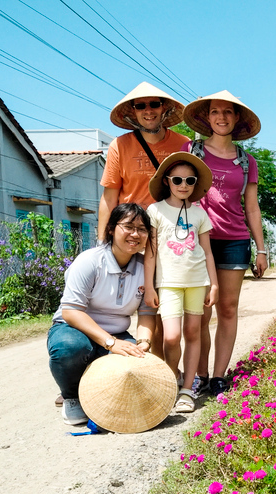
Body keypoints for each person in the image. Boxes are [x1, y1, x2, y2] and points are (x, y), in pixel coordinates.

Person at [182, 90, 268, 396]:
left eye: (228, 112)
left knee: (228, 309)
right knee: (200, 311)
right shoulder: (191, 150)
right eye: (215, 112)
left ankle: (219, 375)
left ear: (237, 119)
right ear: (207, 118)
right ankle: (199, 373)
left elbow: (252, 207)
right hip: (196, 242)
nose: (221, 117)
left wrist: (261, 248)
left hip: (234, 240)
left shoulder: (248, 162)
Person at [98, 82, 189, 362]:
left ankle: (163, 371)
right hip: (132, 235)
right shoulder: (120, 145)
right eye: (141, 106)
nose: (148, 110)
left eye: (154, 104)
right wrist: (103, 242)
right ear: (133, 113)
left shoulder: (182, 144)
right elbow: (109, 197)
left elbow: (192, 191)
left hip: (170, 238)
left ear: (165, 109)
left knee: (163, 309)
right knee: (117, 306)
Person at [47, 203, 157, 425]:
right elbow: (70, 311)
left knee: (133, 367)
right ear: (111, 229)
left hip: (115, 333)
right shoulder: (90, 261)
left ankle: (100, 397)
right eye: (128, 226)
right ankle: (72, 396)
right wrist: (110, 343)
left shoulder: (145, 268)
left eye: (142, 229)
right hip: (72, 328)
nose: (135, 234)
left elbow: (146, 314)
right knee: (71, 349)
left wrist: (144, 342)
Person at [144, 152, 218, 413]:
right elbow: (150, 252)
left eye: (189, 180)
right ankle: (172, 378)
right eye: (177, 179)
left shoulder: (200, 214)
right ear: (167, 181)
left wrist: (215, 284)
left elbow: (208, 252)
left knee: (193, 333)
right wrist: (150, 286)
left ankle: (187, 389)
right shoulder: (154, 210)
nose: (183, 185)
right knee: (172, 336)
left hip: (198, 282)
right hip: (168, 284)